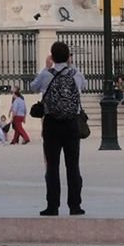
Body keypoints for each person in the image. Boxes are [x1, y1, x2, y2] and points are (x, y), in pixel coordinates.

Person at [30, 42, 87, 216]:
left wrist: (46, 67)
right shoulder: (76, 74)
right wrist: (71, 65)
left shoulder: (47, 74)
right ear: (69, 56)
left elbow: (33, 87)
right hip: (71, 124)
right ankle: (75, 205)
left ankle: (52, 206)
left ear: (52, 56)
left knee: (52, 167)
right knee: (73, 166)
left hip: (52, 124)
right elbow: (83, 86)